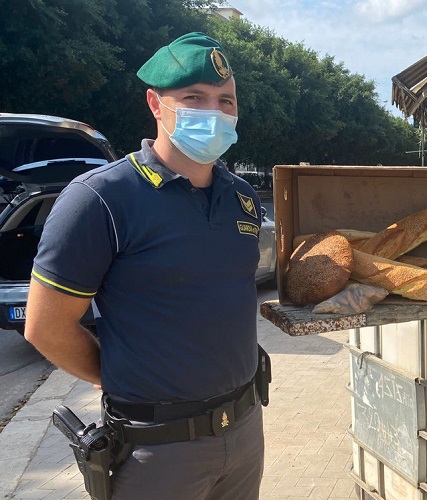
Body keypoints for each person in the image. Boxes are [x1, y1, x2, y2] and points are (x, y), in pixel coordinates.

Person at [25, 32, 265, 499]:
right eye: (194, 98)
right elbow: (45, 328)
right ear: (156, 103)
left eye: (226, 101)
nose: (214, 112)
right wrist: (126, 377)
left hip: (244, 430)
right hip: (156, 452)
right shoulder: (100, 199)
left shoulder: (243, 199)